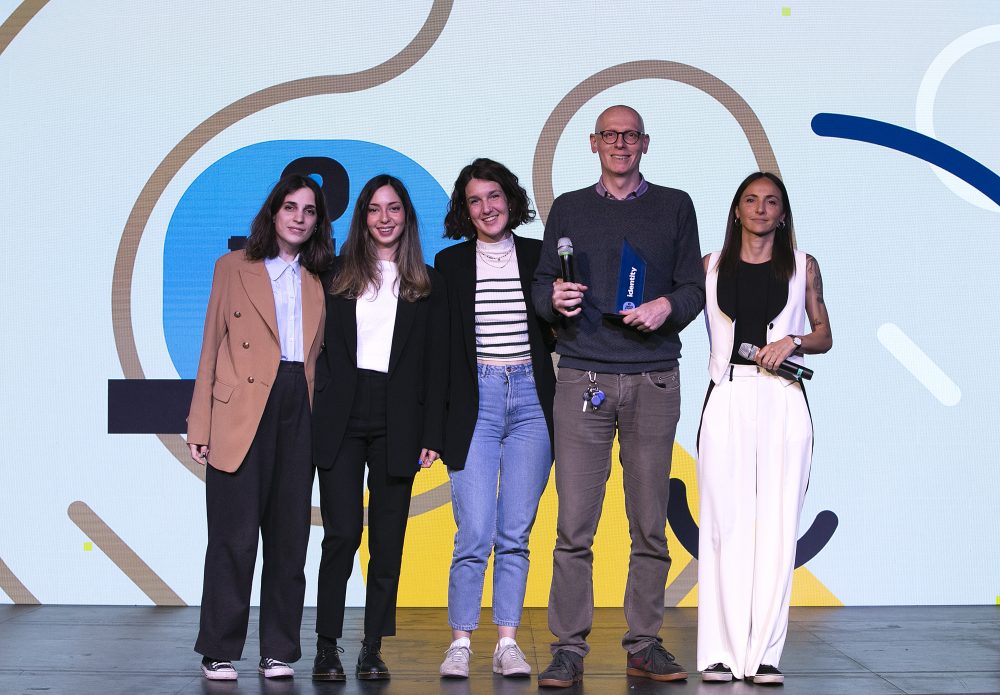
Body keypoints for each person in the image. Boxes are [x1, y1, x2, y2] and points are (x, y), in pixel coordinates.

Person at [531, 105, 705, 687]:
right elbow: (541, 287)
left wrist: (667, 306)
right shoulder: (569, 208)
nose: (621, 144)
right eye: (610, 135)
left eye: (630, 135)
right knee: (574, 526)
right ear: (593, 143)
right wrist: (554, 299)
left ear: (645, 143)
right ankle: (568, 648)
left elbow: (693, 288)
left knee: (649, 524)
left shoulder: (675, 205)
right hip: (583, 375)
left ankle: (644, 644)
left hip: (654, 377)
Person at [187, 173, 333, 680]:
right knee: (233, 537)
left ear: (318, 222)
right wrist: (199, 423)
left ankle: (278, 649)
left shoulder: (321, 276)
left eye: (309, 210)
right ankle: (219, 649)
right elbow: (209, 347)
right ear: (273, 212)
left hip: (300, 404)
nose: (299, 218)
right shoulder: (232, 266)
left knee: (290, 538)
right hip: (242, 406)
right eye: (290, 207)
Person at [311, 174, 448, 682]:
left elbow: (436, 368)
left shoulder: (426, 283)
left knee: (387, 541)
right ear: (362, 217)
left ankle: (372, 647)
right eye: (374, 208)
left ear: (406, 216)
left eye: (393, 208)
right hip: (341, 417)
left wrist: (432, 433)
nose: (384, 218)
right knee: (342, 535)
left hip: (400, 419)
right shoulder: (334, 274)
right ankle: (327, 647)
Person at [697, 172, 832, 685]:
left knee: (776, 528)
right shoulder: (710, 266)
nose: (760, 209)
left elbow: (824, 335)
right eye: (751, 200)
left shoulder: (803, 266)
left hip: (783, 398)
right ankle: (719, 653)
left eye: (771, 201)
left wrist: (793, 341)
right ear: (736, 210)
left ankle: (765, 656)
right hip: (727, 393)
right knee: (723, 524)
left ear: (782, 213)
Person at [434, 158, 555, 679]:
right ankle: (460, 642)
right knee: (474, 532)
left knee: (515, 533)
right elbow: (441, 350)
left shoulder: (539, 255)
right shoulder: (449, 264)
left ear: (510, 199)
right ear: (465, 211)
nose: (486, 208)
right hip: (475, 401)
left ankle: (507, 643)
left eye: (494, 196)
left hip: (531, 399)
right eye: (475, 200)